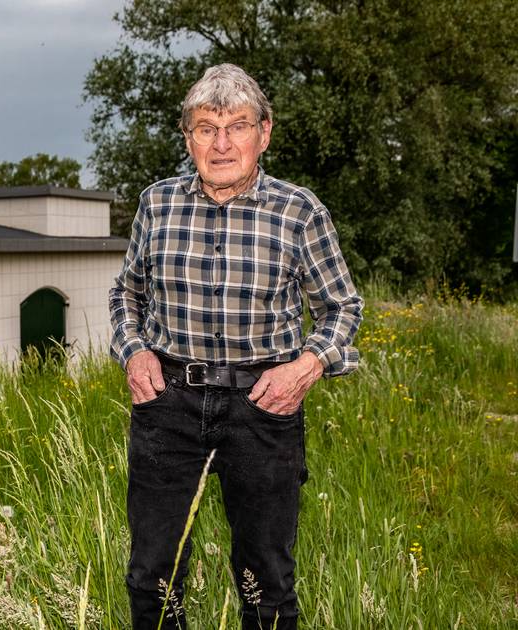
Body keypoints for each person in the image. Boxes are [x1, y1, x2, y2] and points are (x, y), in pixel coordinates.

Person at [109, 63, 363, 630]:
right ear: (188, 137)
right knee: (153, 572)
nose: (221, 143)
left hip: (264, 406)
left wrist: (306, 366)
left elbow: (343, 308)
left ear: (264, 133)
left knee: (266, 578)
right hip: (167, 404)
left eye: (237, 126)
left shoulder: (299, 212)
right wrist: (134, 350)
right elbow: (126, 294)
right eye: (206, 127)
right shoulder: (157, 204)